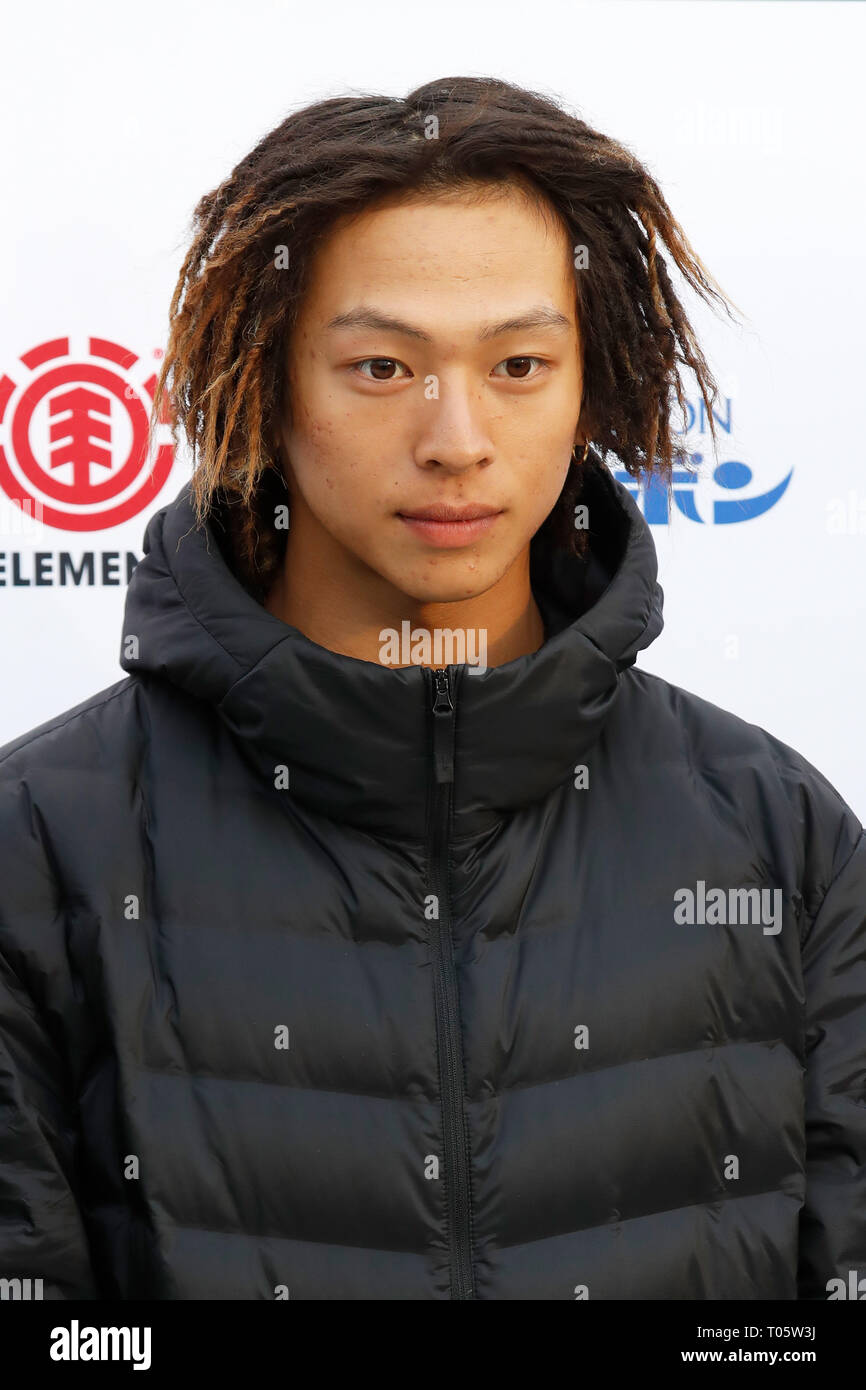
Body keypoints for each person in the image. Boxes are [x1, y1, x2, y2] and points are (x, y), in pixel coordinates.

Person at [1, 74, 864, 1302]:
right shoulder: (38, 844)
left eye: (517, 363)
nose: (454, 435)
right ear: (264, 382)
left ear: (586, 384)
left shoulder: (778, 836)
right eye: (378, 367)